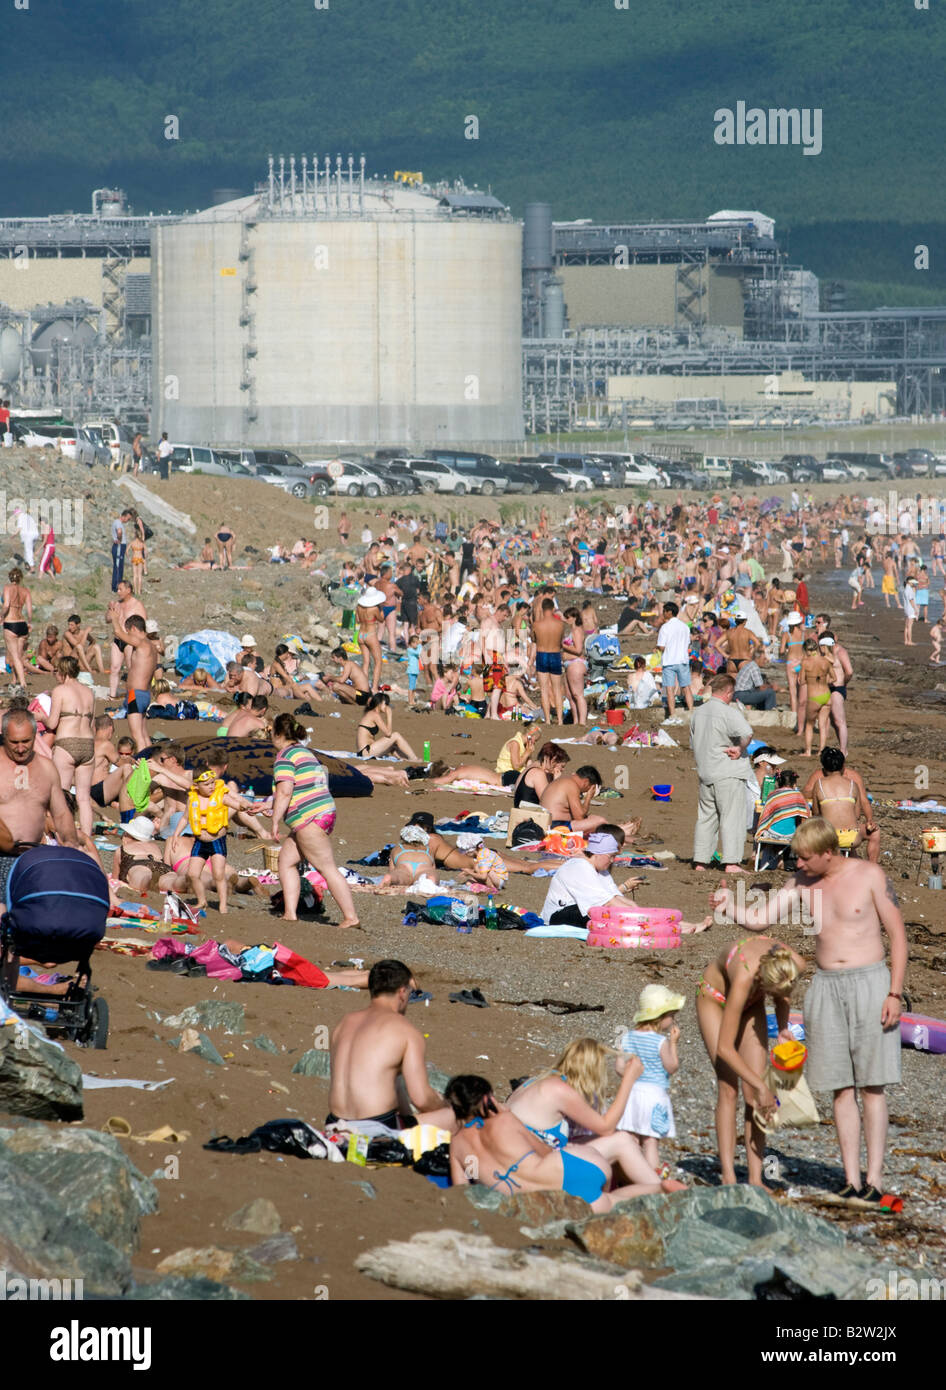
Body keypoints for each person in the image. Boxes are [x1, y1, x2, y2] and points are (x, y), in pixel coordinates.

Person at [713, 818, 907, 1201]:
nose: (797, 865)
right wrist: (728, 905)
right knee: (839, 1087)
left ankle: (876, 1180)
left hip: (870, 982)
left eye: (803, 858)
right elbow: (759, 920)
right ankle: (851, 1180)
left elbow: (899, 936)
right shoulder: (801, 884)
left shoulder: (869, 874)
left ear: (827, 853)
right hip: (826, 985)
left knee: (872, 1085)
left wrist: (895, 994)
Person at [695, 932, 807, 1188]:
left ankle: (756, 1179)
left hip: (751, 1003)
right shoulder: (745, 975)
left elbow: (783, 995)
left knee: (755, 1098)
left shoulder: (795, 963)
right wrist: (760, 1085)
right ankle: (728, 1176)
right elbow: (725, 1048)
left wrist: (781, 1029)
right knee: (729, 1087)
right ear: (761, 980)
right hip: (715, 999)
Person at [506, 1038, 686, 1196]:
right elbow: (606, 1126)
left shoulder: (537, 1082)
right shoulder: (559, 1090)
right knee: (622, 1140)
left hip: (526, 1163)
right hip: (535, 1173)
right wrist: (629, 1080)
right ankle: (662, 1192)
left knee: (623, 1138)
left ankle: (643, 1186)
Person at [448, 1075, 647, 1214]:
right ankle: (662, 1189)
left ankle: (659, 1191)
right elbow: (546, 1152)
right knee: (616, 1196)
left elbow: (464, 1190)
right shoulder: (505, 1120)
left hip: (536, 1203)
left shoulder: (457, 1145)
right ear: (487, 1099)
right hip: (572, 1172)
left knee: (611, 1203)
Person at [327, 959, 453, 1130]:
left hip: (334, 1124)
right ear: (402, 992)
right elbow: (422, 1099)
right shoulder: (405, 1031)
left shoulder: (344, 1023)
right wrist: (445, 1105)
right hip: (376, 1128)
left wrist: (409, 1116)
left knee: (395, 1079)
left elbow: (387, 1080)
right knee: (456, 1117)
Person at [271, 713, 359, 927]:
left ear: (278, 733)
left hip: (309, 818)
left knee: (326, 868)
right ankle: (290, 912)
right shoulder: (305, 753)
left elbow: (284, 791)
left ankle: (351, 917)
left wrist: (274, 822)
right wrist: (267, 806)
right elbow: (303, 788)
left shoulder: (284, 756)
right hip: (322, 813)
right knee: (286, 861)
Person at [541, 825, 708, 931]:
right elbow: (610, 903)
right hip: (558, 915)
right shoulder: (580, 867)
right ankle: (672, 927)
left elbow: (617, 898)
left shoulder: (600, 870)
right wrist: (645, 918)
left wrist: (639, 912)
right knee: (613, 914)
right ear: (598, 853)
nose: (613, 860)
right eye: (611, 856)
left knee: (622, 912)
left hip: (579, 909)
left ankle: (673, 926)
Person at [0, 708, 80, 895]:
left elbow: (60, 813)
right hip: (1, 855)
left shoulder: (46, 768)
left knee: (31, 916)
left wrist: (70, 843)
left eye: (26, 741)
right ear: (4, 736)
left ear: (35, 735)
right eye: (14, 742)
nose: (20, 748)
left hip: (33, 857)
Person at [690, 672, 754, 874]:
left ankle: (701, 860)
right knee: (731, 818)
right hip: (727, 771)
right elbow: (747, 733)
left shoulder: (698, 712)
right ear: (727, 692)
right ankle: (732, 862)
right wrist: (739, 748)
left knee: (706, 817)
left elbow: (693, 742)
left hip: (706, 771)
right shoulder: (728, 712)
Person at [617, 985, 685, 1174]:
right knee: (650, 1140)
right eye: (671, 1015)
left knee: (630, 1137)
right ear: (660, 1017)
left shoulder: (627, 1037)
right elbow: (671, 1067)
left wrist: (634, 1075)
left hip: (631, 1093)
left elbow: (619, 1068)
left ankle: (629, 1174)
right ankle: (652, 1178)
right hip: (654, 1095)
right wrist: (673, 1043)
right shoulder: (659, 1041)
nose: (673, 1020)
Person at [46, 656, 96, 836]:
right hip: (88, 745)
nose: (56, 675)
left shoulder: (60, 690)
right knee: (83, 798)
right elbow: (92, 726)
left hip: (67, 743)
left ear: (63, 671)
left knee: (62, 795)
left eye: (56, 671)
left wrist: (38, 717)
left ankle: (62, 836)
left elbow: (52, 723)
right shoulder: (89, 692)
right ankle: (87, 839)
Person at [802, 746, 879, 862]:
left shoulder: (819, 783)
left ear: (824, 766)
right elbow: (857, 814)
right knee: (875, 832)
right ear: (843, 764)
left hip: (829, 835)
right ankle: (872, 867)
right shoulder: (853, 783)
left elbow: (816, 813)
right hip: (851, 836)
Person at [185, 766, 245, 914]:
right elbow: (185, 817)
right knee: (192, 874)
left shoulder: (220, 796)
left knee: (218, 874)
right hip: (200, 841)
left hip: (216, 841)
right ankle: (202, 900)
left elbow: (237, 805)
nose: (211, 786)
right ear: (196, 785)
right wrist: (175, 835)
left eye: (213, 782)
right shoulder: (192, 798)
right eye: (206, 784)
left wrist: (245, 806)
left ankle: (223, 904)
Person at [108, 610, 157, 752]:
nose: (129, 636)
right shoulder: (151, 646)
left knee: (137, 736)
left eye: (129, 632)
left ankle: (143, 767)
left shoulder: (141, 642)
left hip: (135, 694)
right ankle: (151, 764)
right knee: (144, 734)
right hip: (144, 694)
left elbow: (118, 633)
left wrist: (115, 619)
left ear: (134, 629)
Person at [107, 578, 146, 701]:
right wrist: (110, 610)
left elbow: (143, 623)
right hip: (118, 640)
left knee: (131, 667)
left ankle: (132, 695)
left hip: (130, 640)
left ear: (128, 590)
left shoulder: (137, 605)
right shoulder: (117, 604)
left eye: (120, 589)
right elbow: (107, 619)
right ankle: (112, 695)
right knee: (114, 667)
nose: (118, 592)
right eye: (117, 589)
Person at [657, 601, 694, 724]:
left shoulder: (665, 627)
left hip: (670, 661)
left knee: (669, 689)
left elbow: (661, 647)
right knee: (686, 687)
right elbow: (688, 643)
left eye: (664, 611)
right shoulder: (684, 627)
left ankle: (672, 715)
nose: (663, 614)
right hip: (683, 659)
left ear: (669, 612)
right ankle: (692, 712)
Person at [355, 693, 419, 761]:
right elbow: (388, 733)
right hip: (366, 752)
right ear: (381, 703)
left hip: (365, 751)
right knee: (396, 735)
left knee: (393, 745)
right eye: (386, 704)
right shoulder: (374, 714)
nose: (387, 706)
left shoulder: (371, 713)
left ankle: (405, 759)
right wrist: (389, 715)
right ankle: (414, 758)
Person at [532, 597, 566, 726]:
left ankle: (547, 719)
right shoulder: (560, 624)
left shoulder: (536, 624)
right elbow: (561, 641)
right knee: (557, 689)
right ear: (553, 609)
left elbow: (534, 639)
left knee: (544, 689)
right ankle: (560, 720)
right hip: (555, 653)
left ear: (542, 609)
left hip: (542, 654)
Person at [800, 637, 834, 758]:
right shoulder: (825, 661)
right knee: (823, 725)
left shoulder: (805, 662)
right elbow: (834, 678)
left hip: (814, 697)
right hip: (826, 695)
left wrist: (811, 680)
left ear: (806, 650)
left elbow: (801, 681)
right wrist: (824, 680)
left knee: (809, 724)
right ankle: (821, 751)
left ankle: (808, 751)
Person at [1, 567, 31, 691]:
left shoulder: (7, 588)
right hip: (22, 623)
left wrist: (1, 615)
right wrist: (29, 622)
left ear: (10, 577)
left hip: (11, 623)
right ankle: (14, 680)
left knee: (15, 656)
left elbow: (6, 604)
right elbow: (29, 610)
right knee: (18, 656)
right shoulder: (25, 591)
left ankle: (23, 684)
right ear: (20, 578)